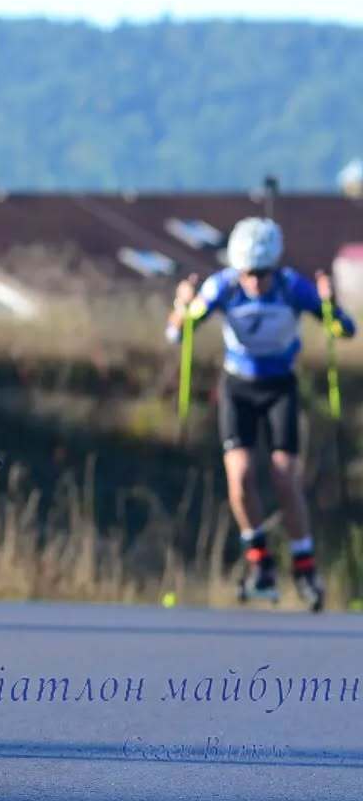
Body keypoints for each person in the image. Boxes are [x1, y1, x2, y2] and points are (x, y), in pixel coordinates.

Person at [166, 216, 354, 611]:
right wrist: (181, 306)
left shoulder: (292, 287)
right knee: (240, 477)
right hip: (238, 389)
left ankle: (305, 568)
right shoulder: (223, 287)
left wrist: (329, 304)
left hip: (280, 388)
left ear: (274, 267)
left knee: (286, 477)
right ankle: (259, 562)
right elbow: (177, 333)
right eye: (248, 273)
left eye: (261, 273)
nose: (254, 281)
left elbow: (344, 330)